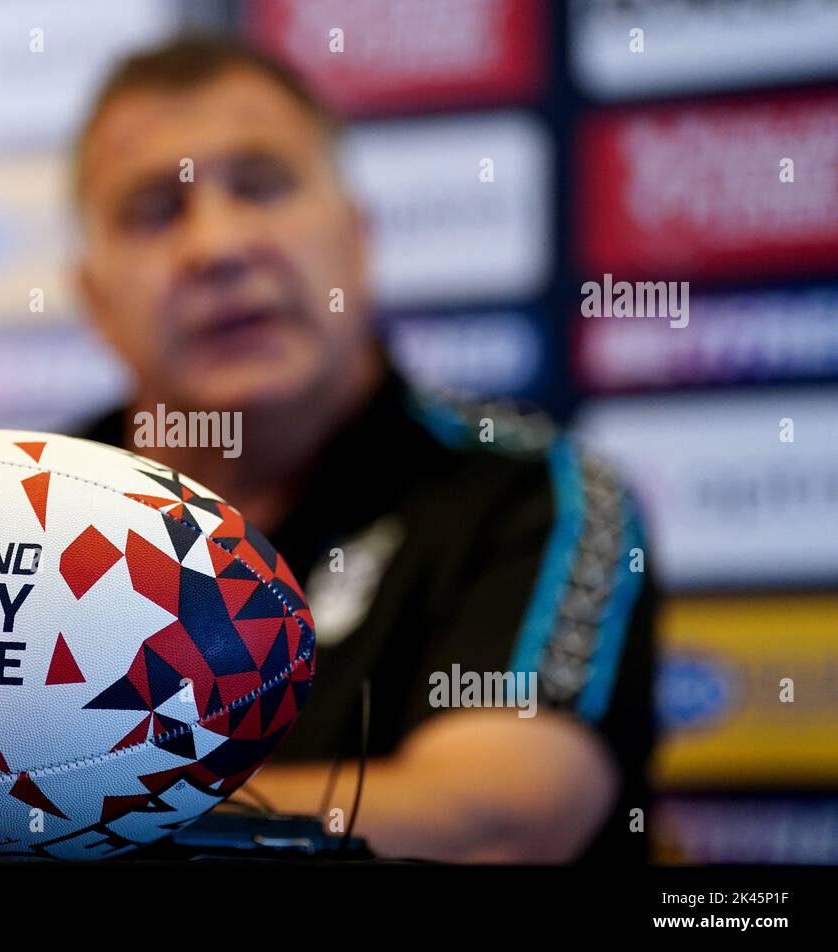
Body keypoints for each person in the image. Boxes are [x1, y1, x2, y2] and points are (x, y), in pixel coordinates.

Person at [70, 34, 656, 863]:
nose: (218, 247)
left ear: (356, 239)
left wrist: (45, 809)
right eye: (156, 210)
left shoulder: (531, 493)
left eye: (262, 186)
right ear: (95, 300)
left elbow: (500, 823)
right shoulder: (13, 522)